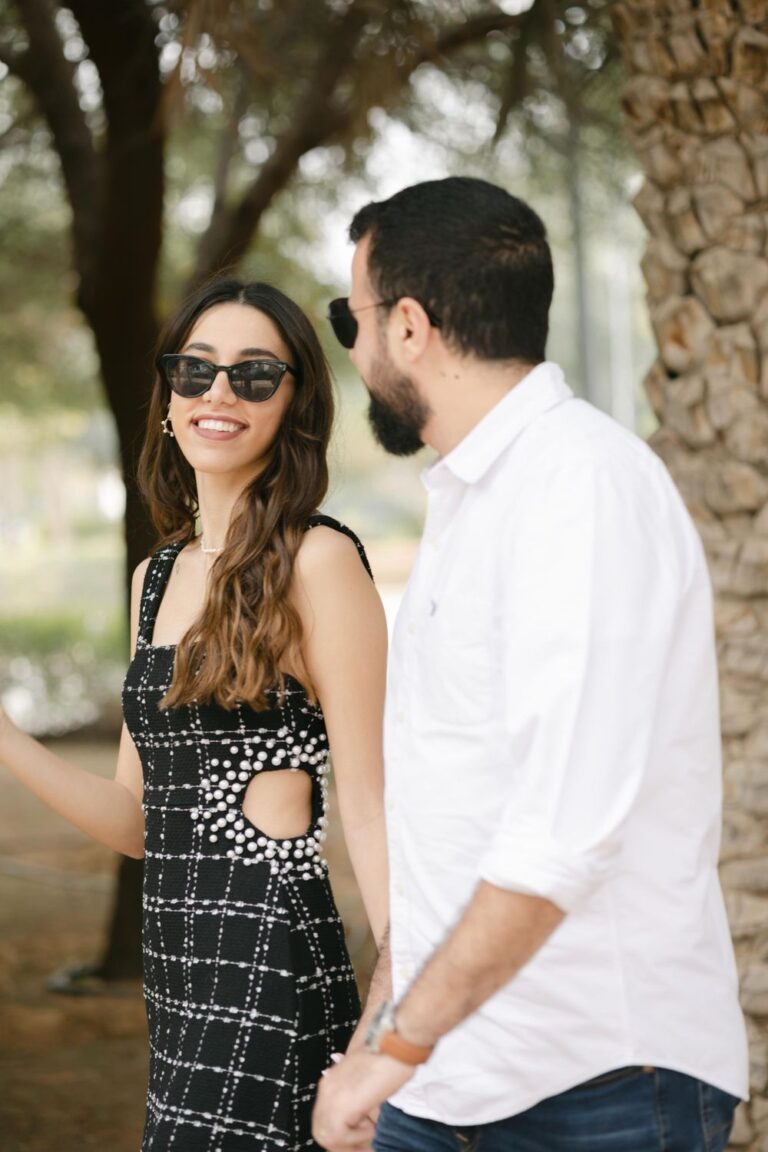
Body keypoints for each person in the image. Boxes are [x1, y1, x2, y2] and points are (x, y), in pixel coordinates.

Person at [312, 176, 749, 1152]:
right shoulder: (475, 500)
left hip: (596, 1090)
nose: (352, 344)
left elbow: (560, 835)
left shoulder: (579, 489)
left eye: (354, 315)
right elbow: (454, 825)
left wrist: (395, 1050)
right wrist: (385, 1037)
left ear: (411, 326)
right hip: (446, 1082)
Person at [0, 278, 389, 1151]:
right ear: (168, 396)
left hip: (269, 957)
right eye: (196, 370)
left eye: (255, 375)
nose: (218, 393)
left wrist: (393, 1019)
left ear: (295, 403)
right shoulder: (153, 582)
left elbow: (371, 802)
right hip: (177, 976)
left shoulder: (319, 562)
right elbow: (140, 824)